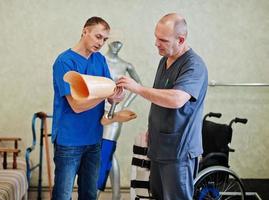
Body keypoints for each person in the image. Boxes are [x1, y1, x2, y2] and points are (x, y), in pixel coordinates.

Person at [117, 13, 208, 200]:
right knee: (157, 196)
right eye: (156, 37)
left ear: (181, 39)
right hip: (159, 146)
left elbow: (176, 99)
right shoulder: (164, 60)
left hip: (178, 151)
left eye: (163, 40)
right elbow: (160, 98)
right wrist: (152, 129)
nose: (156, 43)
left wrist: (138, 88)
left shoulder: (194, 65)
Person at [51, 16, 124, 200]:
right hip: (69, 142)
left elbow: (109, 96)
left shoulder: (99, 60)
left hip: (94, 141)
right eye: (98, 37)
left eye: (105, 39)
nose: (101, 43)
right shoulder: (64, 62)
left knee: (90, 195)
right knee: (62, 195)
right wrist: (105, 95)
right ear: (85, 31)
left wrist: (115, 97)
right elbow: (76, 106)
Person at [97, 41, 141, 199]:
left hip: (114, 113)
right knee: (106, 153)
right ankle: (116, 195)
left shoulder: (125, 65)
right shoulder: (99, 59)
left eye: (121, 43)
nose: (118, 46)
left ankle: (95, 191)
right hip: (97, 110)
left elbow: (138, 86)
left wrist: (124, 106)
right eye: (115, 42)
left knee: (106, 150)